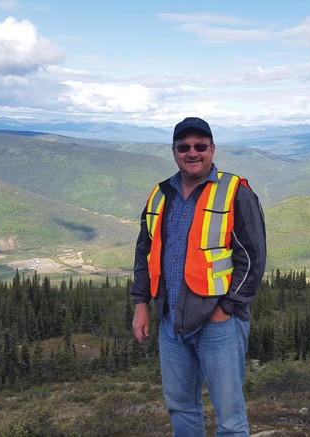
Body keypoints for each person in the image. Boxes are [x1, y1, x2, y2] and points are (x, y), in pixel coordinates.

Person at [130, 116, 267, 436]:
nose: (192, 152)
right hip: (170, 322)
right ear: (174, 151)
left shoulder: (235, 192)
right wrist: (140, 304)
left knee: (230, 419)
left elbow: (253, 258)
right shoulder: (161, 194)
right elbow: (144, 252)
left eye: (200, 146)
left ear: (212, 149)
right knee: (180, 406)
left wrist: (226, 309)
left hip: (218, 323)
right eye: (184, 147)